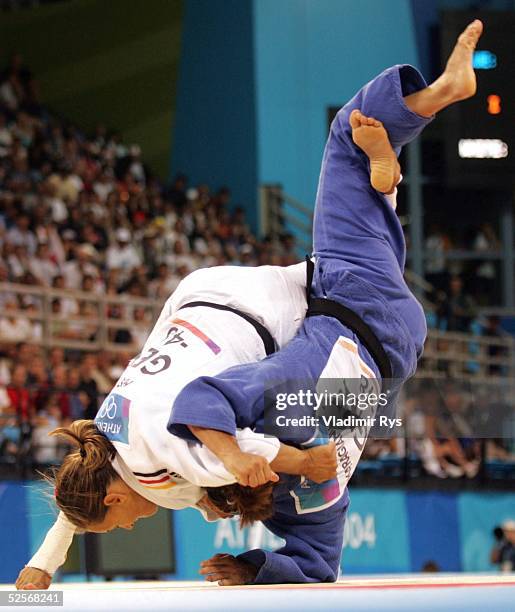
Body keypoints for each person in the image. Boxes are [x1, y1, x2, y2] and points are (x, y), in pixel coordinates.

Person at [16, 19, 483, 589]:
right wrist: (40, 567)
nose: (118, 530)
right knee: (350, 188)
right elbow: (79, 501)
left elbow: (209, 413)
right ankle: (389, 176)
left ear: (116, 495)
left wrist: (264, 466)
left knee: (312, 458)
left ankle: (387, 183)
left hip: (302, 325)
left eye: (110, 526)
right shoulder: (110, 441)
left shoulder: (153, 454)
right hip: (220, 299)